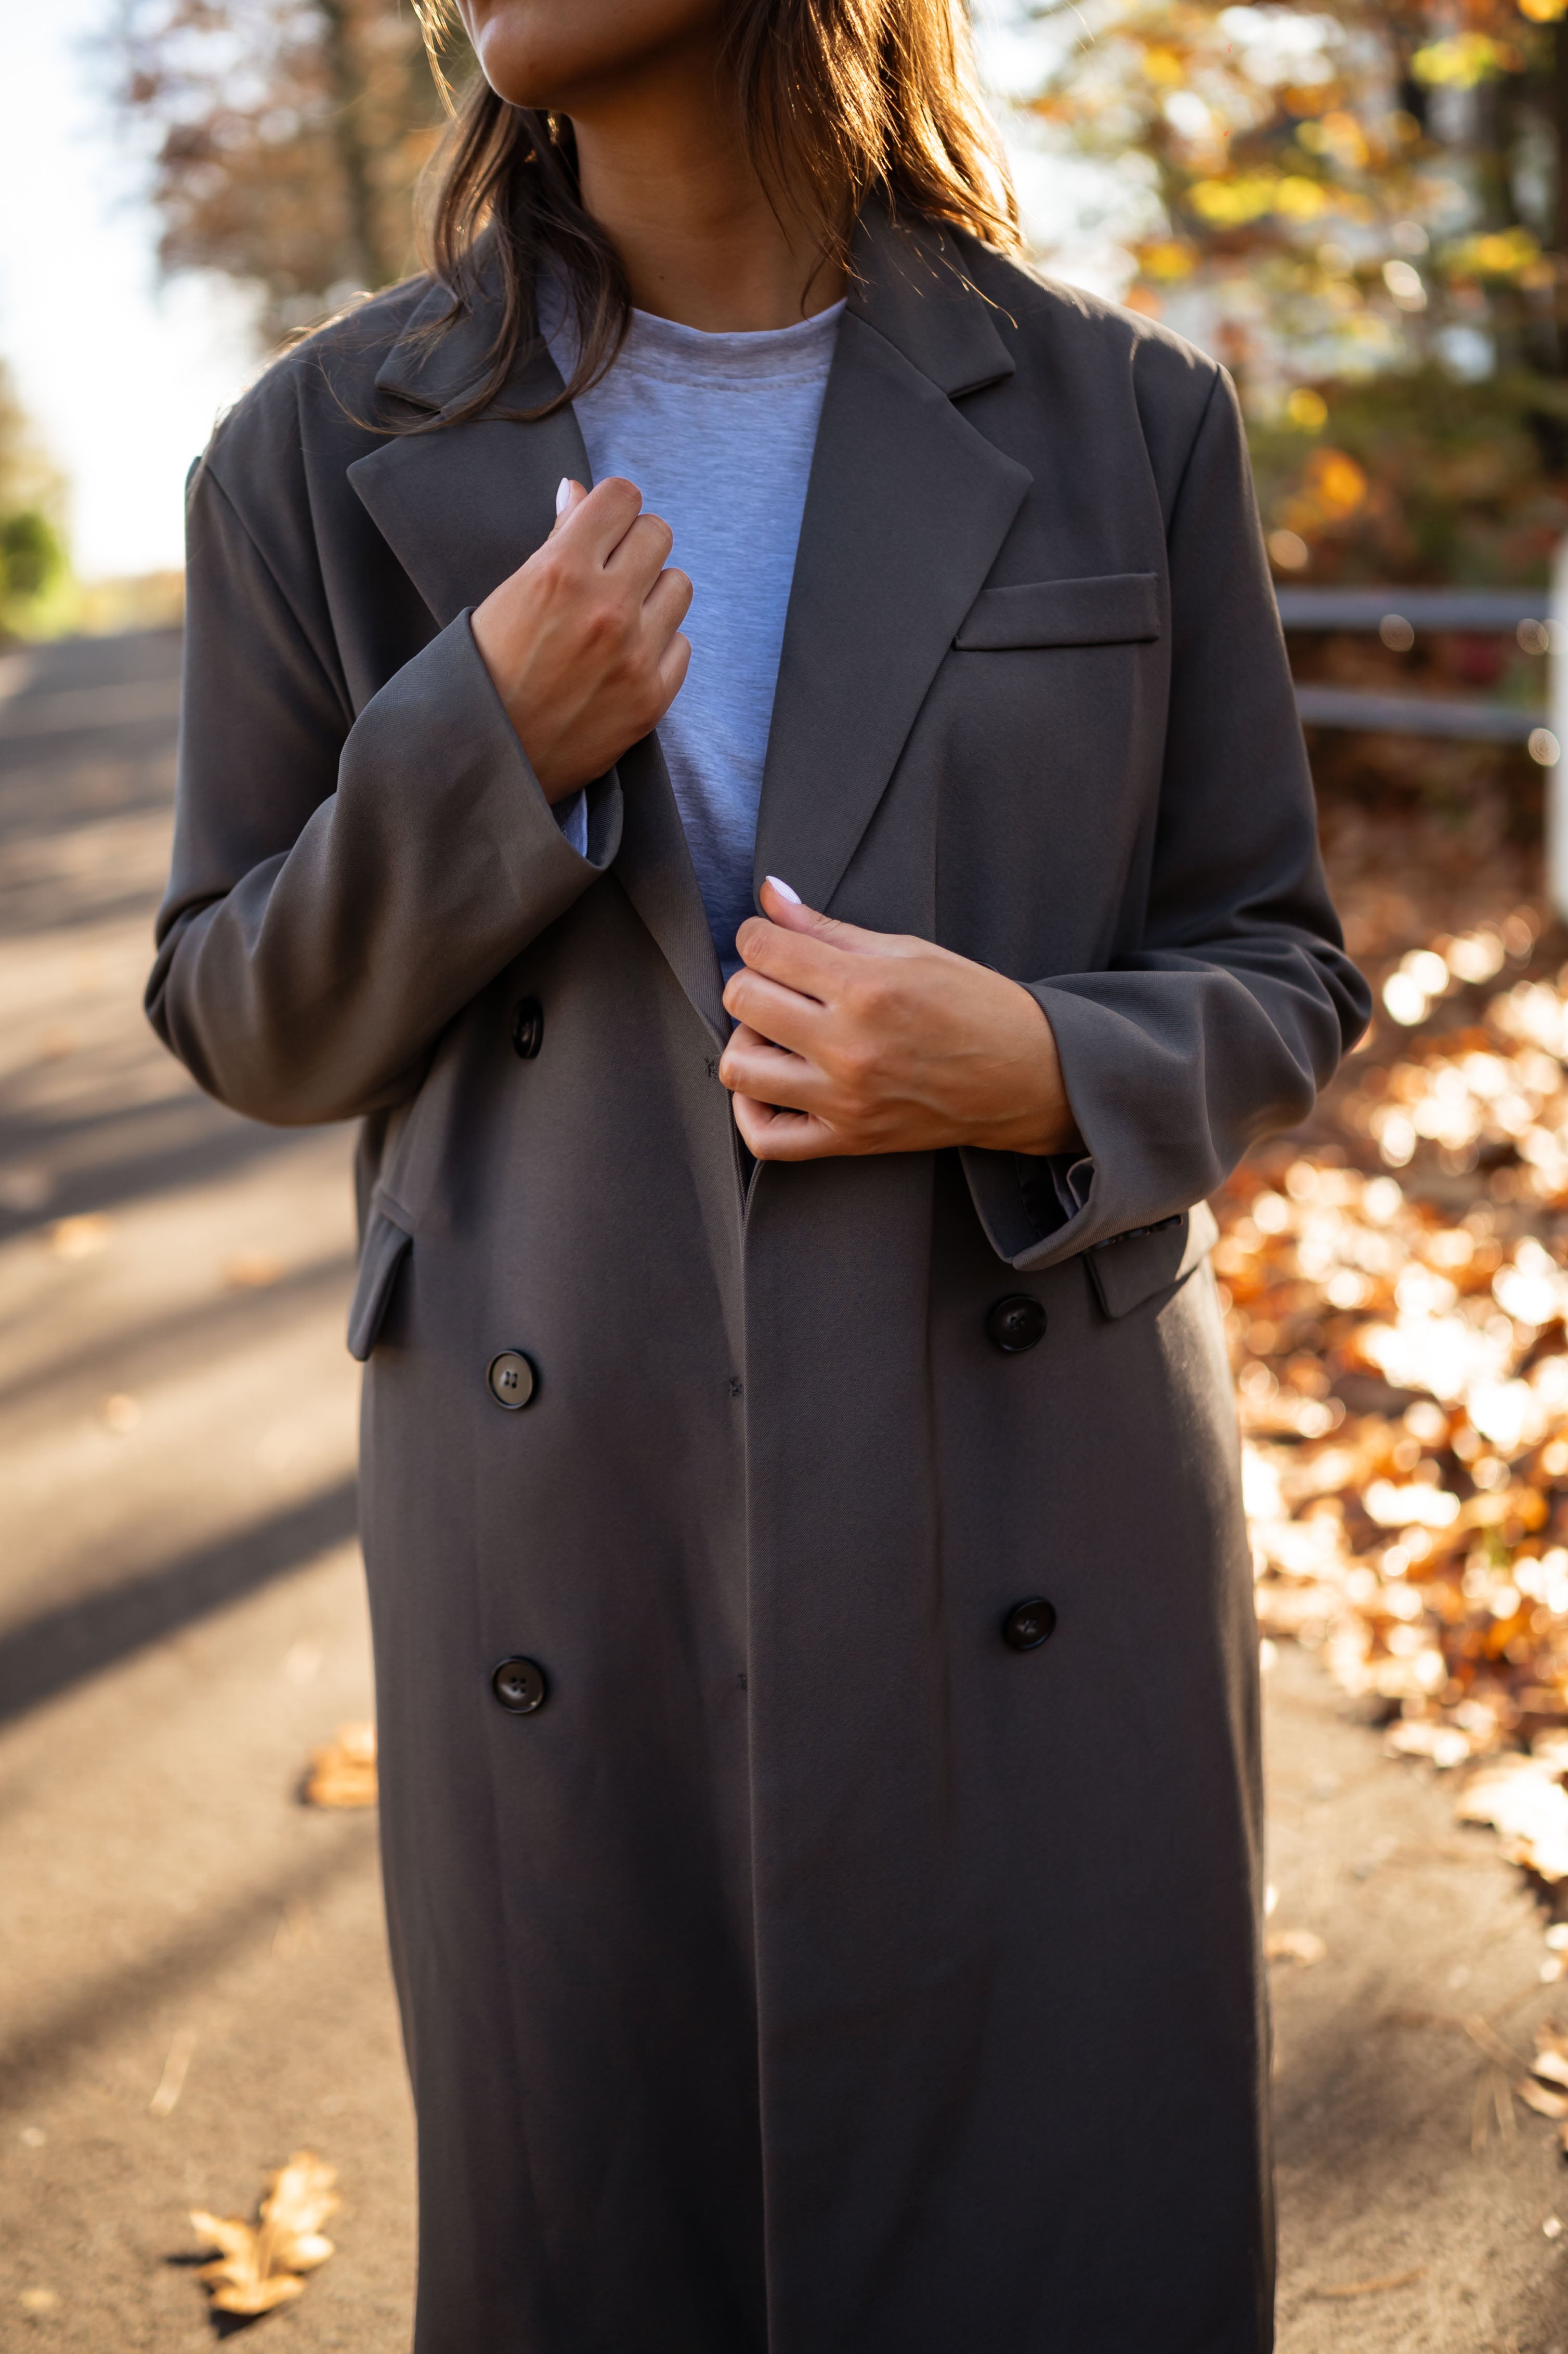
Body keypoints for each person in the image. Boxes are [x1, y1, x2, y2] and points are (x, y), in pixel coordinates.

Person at [148, 1, 1370, 2346]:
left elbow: (1278, 966)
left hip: (1032, 1519)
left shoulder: (1125, 418)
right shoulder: (311, 451)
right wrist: (471, 752)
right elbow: (240, 1012)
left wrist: (1035, 1057)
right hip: (563, 1542)